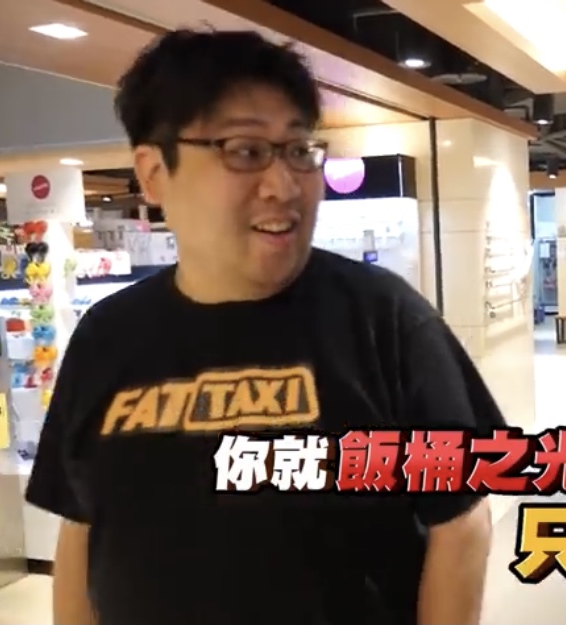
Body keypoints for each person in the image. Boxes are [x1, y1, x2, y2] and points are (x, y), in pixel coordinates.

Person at [27, 29, 500, 625]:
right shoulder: (106, 335)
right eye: (246, 151)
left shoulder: (384, 319)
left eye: (300, 151)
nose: (284, 185)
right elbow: (81, 523)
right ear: (153, 172)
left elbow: (461, 521)